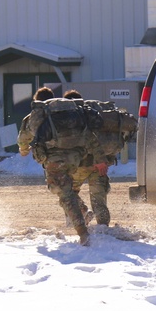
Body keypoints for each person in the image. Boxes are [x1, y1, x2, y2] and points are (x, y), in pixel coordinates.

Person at [17, 86, 91, 245]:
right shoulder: (66, 111)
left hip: (56, 159)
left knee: (62, 193)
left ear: (36, 99)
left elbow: (23, 138)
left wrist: (24, 150)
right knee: (66, 188)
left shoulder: (37, 115)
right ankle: (84, 210)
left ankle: (82, 232)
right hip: (76, 156)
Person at [63, 90, 114, 226]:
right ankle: (103, 229)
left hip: (78, 167)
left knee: (67, 193)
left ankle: (82, 212)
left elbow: (90, 138)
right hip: (98, 165)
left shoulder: (67, 118)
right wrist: (101, 161)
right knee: (98, 199)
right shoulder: (91, 114)